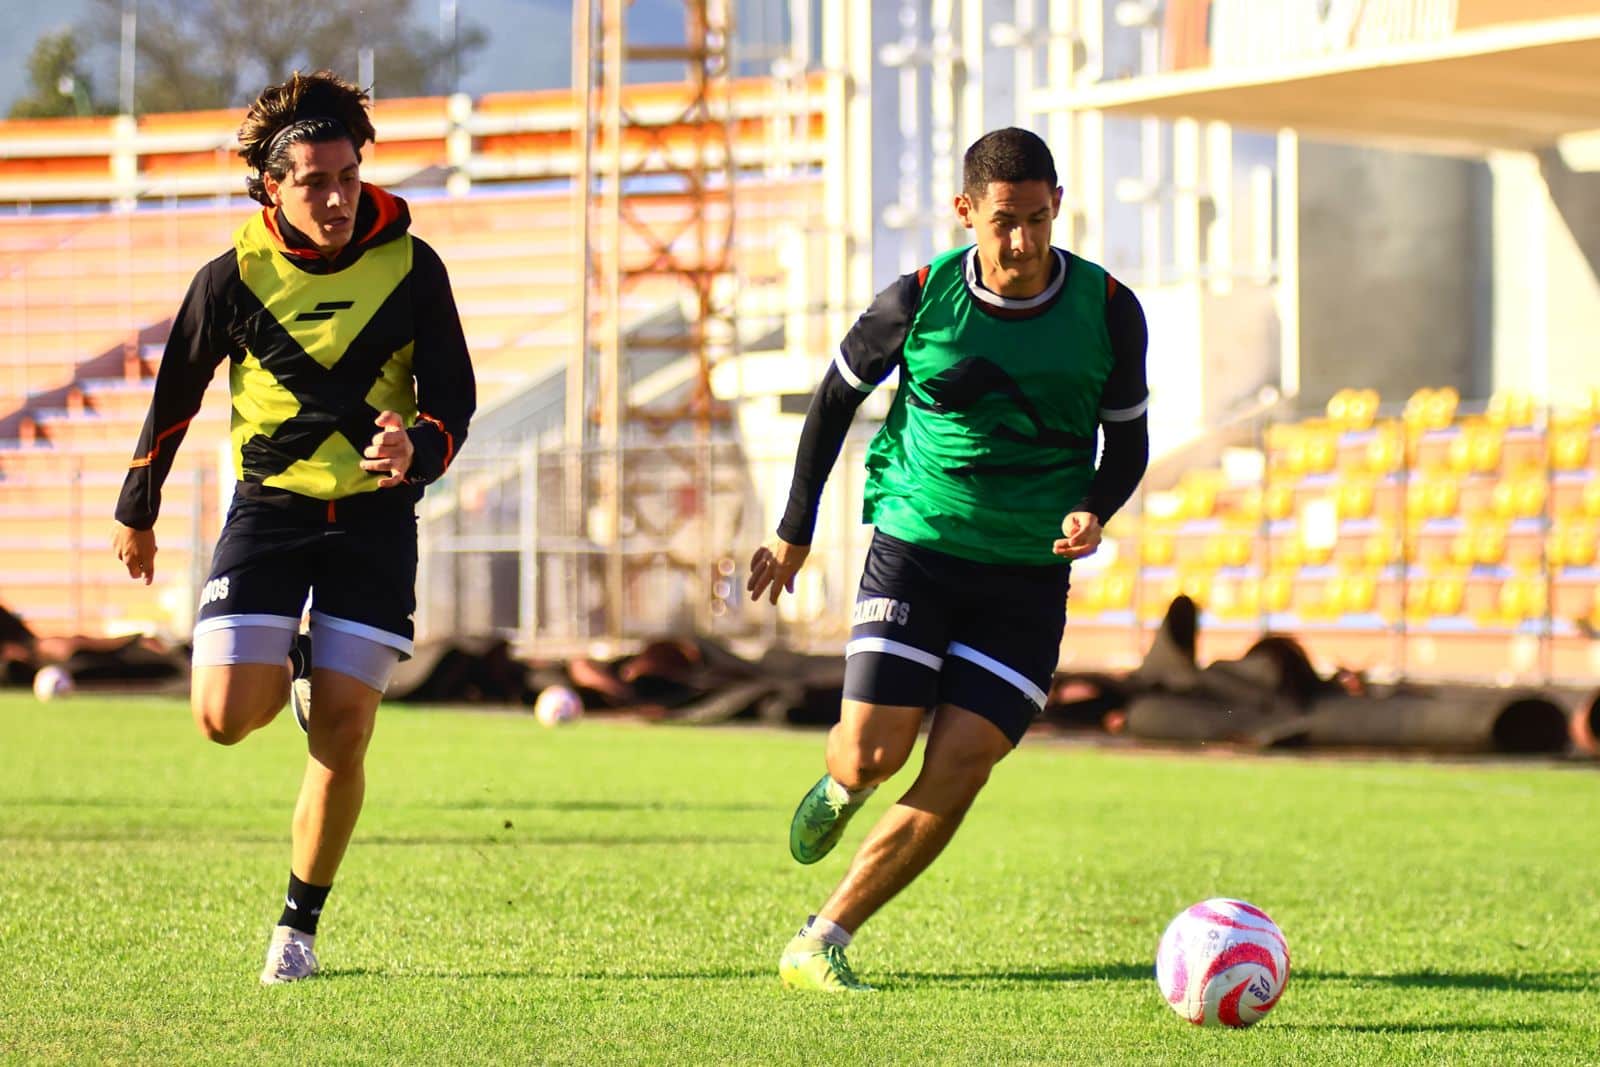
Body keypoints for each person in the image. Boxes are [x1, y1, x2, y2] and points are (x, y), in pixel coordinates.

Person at [747, 127, 1149, 991]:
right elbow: (830, 403)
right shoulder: (920, 297)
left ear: (1058, 208)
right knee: (872, 756)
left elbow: (1130, 443)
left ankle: (822, 939)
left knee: (963, 762)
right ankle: (843, 786)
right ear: (966, 212)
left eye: (1039, 220)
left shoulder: (1110, 307)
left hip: (1028, 574)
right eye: (1005, 221)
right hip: (918, 548)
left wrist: (1098, 506)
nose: (1023, 242)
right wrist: (794, 527)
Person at [111, 71, 475, 985]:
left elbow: (455, 399)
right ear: (272, 188)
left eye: (348, 175)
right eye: (314, 181)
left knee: (343, 735)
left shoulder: (413, 264)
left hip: (376, 518)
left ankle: (296, 931)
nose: (338, 196)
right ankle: (302, 662)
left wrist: (417, 445)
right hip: (271, 511)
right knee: (222, 717)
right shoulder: (231, 277)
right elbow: (173, 397)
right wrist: (138, 508)